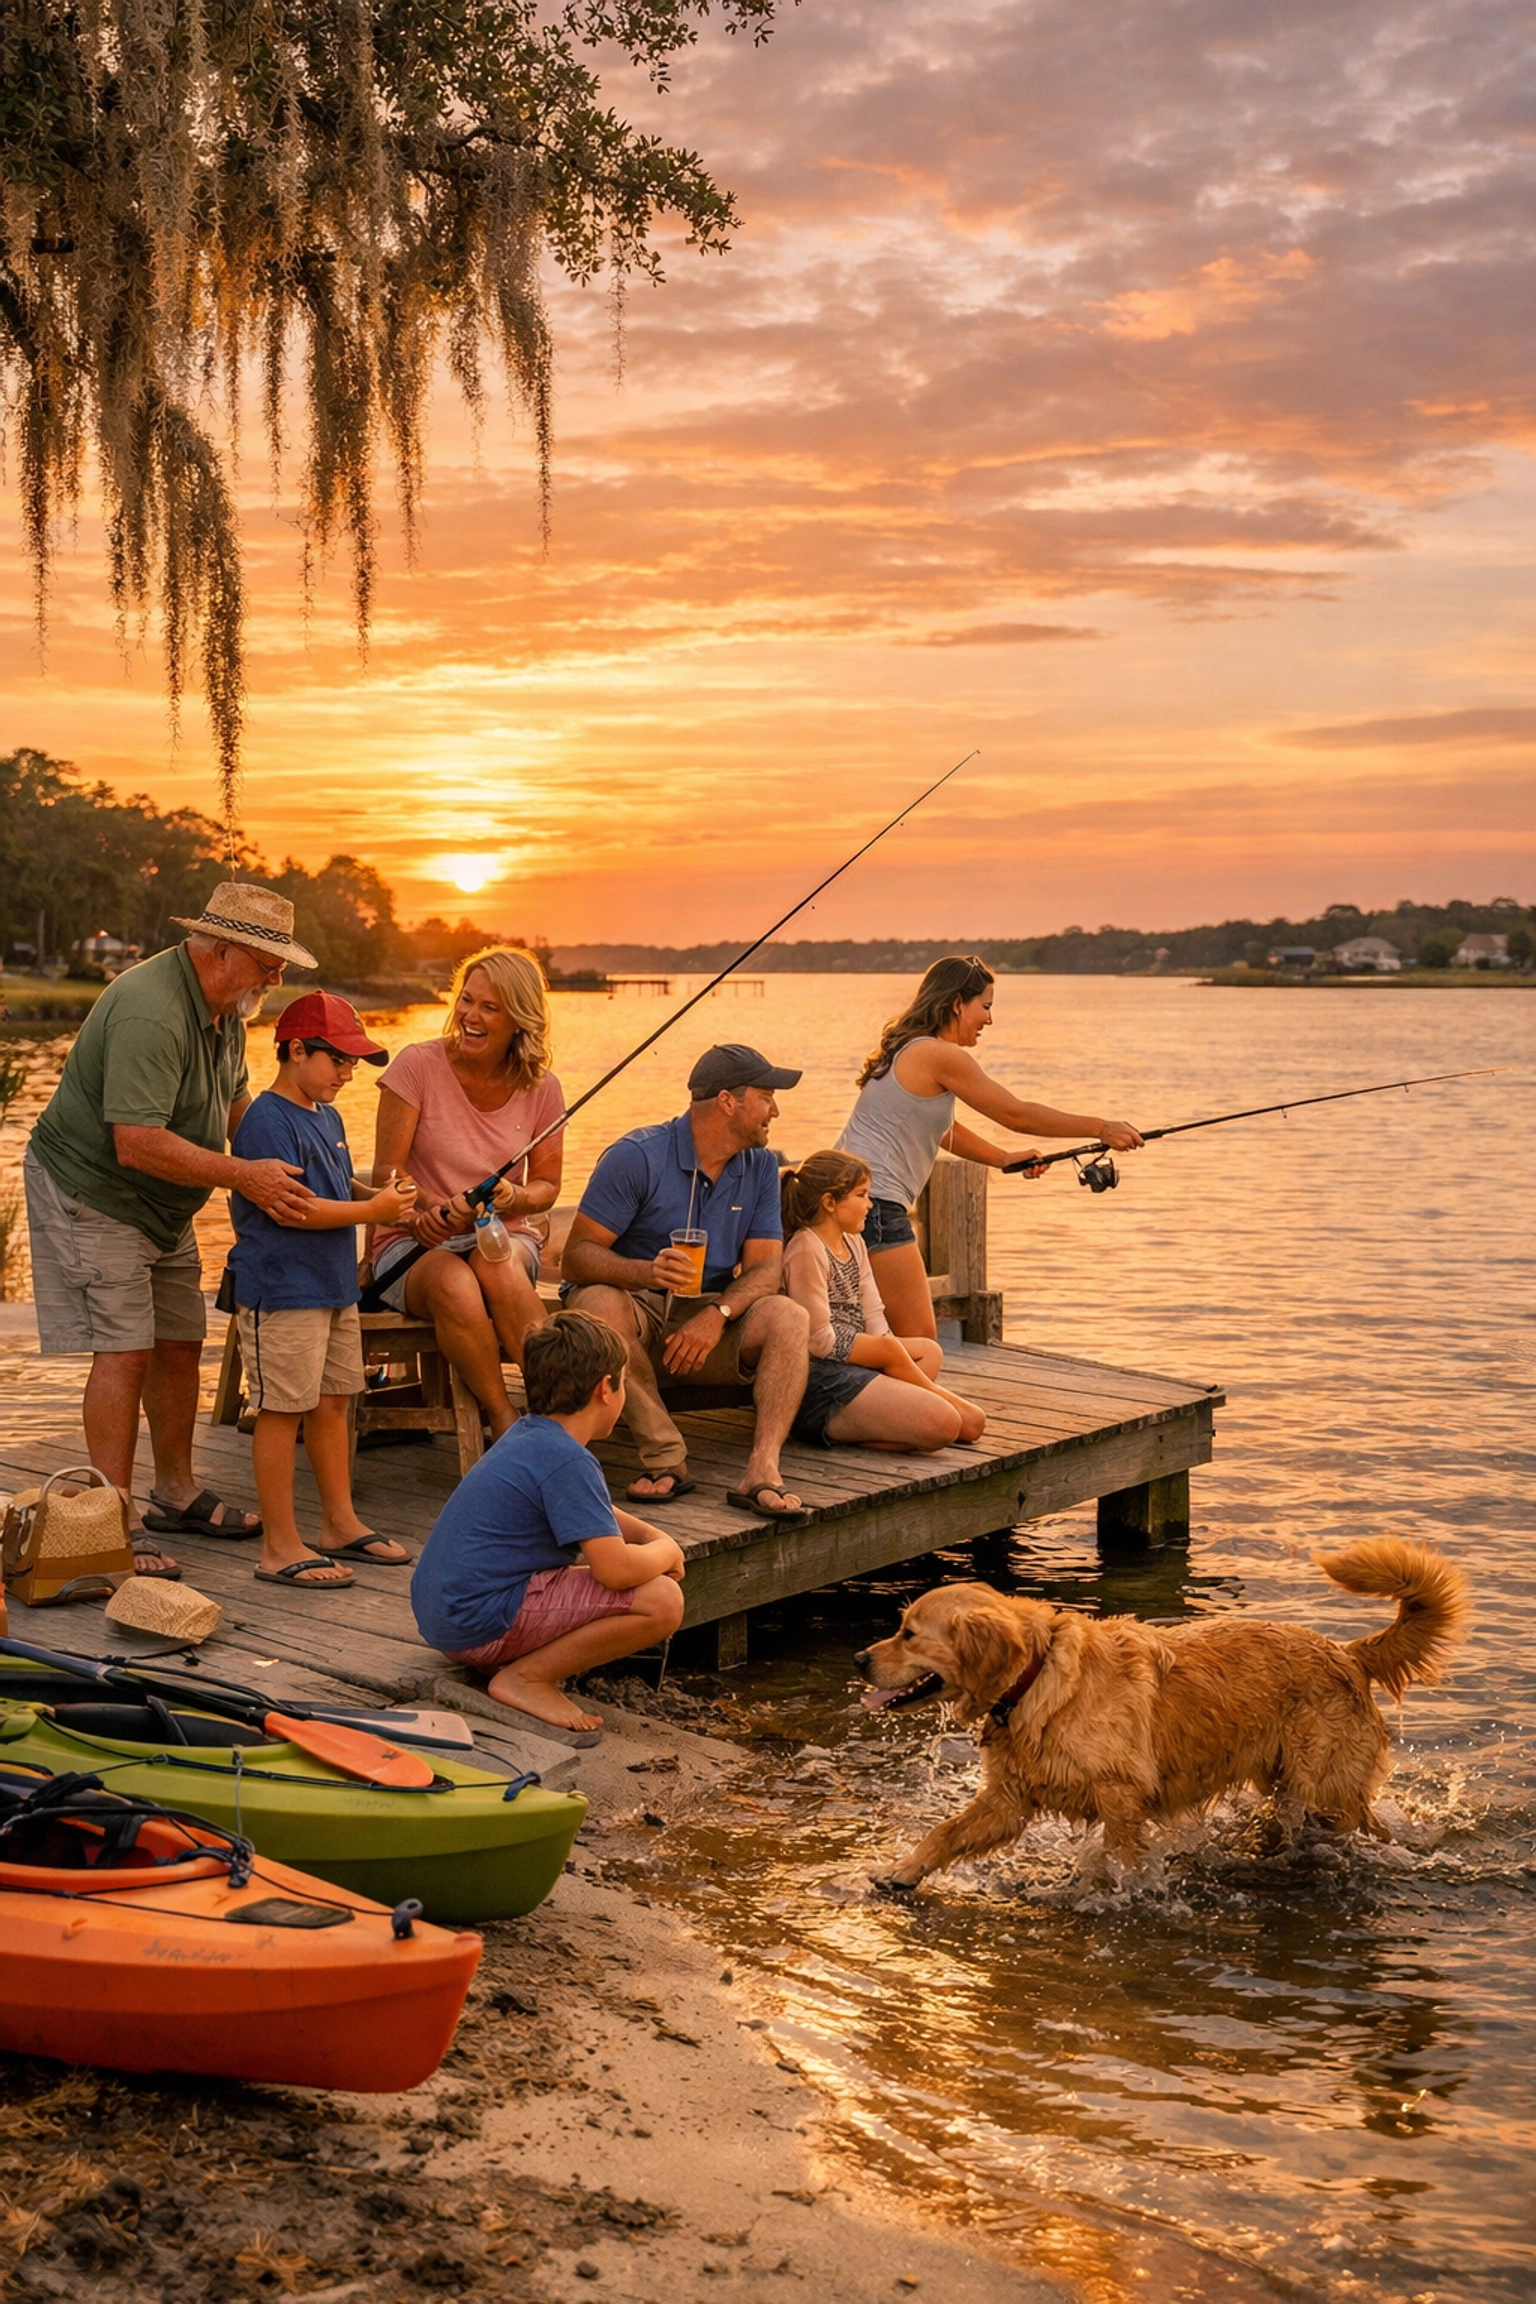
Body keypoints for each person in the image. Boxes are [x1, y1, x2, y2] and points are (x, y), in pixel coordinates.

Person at [23, 881, 320, 1577]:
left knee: (182, 1339)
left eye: (280, 967)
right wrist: (244, 1178)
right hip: (93, 1188)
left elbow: (238, 1106)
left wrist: (314, 1168)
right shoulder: (151, 1013)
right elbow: (135, 1141)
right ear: (219, 951)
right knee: (124, 1350)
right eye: (266, 964)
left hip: (164, 1201)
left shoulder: (229, 1008)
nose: (275, 979)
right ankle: (112, 1518)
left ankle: (175, 1491)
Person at [560, 1044, 812, 1521]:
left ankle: (762, 1469)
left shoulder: (760, 1166)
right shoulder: (636, 1157)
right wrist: (644, 1271)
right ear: (726, 1101)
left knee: (789, 1316)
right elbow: (576, 1257)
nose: (775, 1109)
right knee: (596, 1304)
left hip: (707, 1314)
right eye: (766, 1096)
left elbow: (765, 1268)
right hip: (634, 1314)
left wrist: (717, 1315)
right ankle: (666, 1458)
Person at [410, 1310, 686, 1743]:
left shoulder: (532, 1436)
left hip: (448, 1617)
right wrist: (666, 1552)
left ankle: (510, 1664)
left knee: (639, 1575)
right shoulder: (569, 1459)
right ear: (605, 1389)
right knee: (662, 1600)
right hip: (477, 1620)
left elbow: (593, 1512)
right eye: (624, 1381)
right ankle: (526, 1679)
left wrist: (650, 1537)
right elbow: (613, 1571)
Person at [836, 955, 1144, 1338]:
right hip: (877, 1206)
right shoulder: (942, 1055)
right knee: (920, 1343)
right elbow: (1017, 1115)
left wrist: (1001, 1159)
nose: (989, 1019)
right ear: (956, 1003)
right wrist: (1102, 1127)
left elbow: (940, 1128)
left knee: (874, 1335)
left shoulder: (910, 1049)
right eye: (985, 1007)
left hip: (847, 1198)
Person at [228, 993, 419, 1590]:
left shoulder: (326, 1115)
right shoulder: (266, 1120)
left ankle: (338, 1524)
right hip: (282, 1292)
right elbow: (294, 1210)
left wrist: (394, 1203)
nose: (347, 1073)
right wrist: (373, 1208)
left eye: (354, 1064)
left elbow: (335, 1185)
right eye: (338, 1060)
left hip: (333, 1289)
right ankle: (280, 1546)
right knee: (281, 1412)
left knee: (335, 1402)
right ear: (295, 1050)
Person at [370, 946, 564, 1442]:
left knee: (492, 1264)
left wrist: (512, 1197)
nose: (470, 1017)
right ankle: (505, 1423)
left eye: (489, 1008)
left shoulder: (543, 1088)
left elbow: (546, 1188)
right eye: (466, 1000)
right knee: (457, 1282)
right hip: (411, 1246)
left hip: (504, 1239)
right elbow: (385, 1178)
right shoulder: (416, 1067)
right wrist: (424, 1213)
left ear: (519, 1020)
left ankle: (561, 1414)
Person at [779, 1152, 986, 1450]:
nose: (870, 1205)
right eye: (861, 1195)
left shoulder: (854, 1242)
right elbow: (817, 1341)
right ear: (829, 1203)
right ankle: (848, 1425)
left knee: (929, 1351)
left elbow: (874, 1314)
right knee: (949, 1425)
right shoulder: (806, 1247)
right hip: (820, 1377)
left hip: (856, 1363)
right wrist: (883, 1352)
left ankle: (898, 1408)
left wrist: (885, 1350)